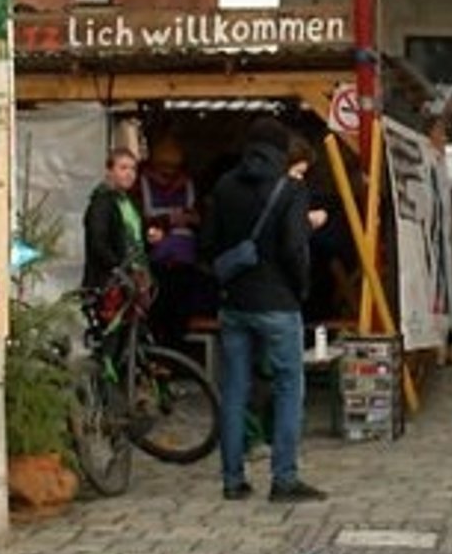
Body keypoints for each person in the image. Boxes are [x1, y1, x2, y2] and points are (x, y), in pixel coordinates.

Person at [199, 117, 327, 504]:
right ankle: (284, 479)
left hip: (234, 303)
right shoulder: (290, 188)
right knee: (290, 387)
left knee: (235, 390)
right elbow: (292, 247)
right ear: (280, 149)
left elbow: (208, 245)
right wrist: (300, 288)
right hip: (278, 302)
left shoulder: (224, 186)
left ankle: (232, 479)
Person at [139, 136, 204, 350]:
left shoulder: (188, 184)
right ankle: (159, 357)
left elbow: (200, 216)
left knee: (180, 312)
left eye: (174, 167)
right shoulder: (142, 184)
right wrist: (168, 221)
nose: (168, 173)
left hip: (185, 261)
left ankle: (174, 359)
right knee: (158, 310)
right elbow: (140, 218)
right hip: (156, 259)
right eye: (163, 167)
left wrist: (193, 219)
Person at [81, 147, 145, 296]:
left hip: (132, 279)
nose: (130, 173)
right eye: (123, 168)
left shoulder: (129, 202)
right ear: (109, 171)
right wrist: (119, 269)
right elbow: (98, 243)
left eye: (133, 169)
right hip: (108, 284)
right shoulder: (102, 202)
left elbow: (134, 237)